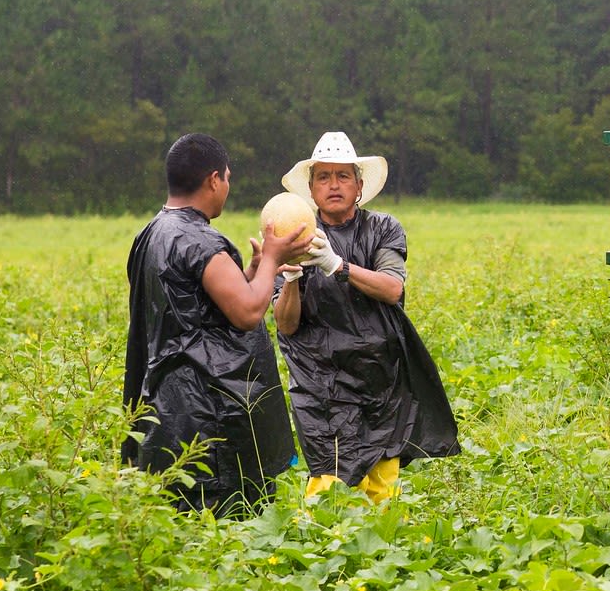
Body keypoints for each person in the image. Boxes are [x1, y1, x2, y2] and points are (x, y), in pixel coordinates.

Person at [122, 134, 308, 516]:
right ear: (213, 180)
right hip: (208, 412)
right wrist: (272, 260)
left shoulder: (151, 234)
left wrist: (251, 272)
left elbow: (194, 304)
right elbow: (247, 313)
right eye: (227, 177)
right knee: (226, 521)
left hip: (165, 406)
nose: (227, 186)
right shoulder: (199, 240)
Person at [271, 132, 459, 503]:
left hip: (380, 379)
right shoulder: (294, 236)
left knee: (382, 491)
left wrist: (337, 265)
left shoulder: (382, 228)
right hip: (320, 381)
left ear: (359, 185)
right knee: (329, 488)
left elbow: (392, 289)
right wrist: (291, 278)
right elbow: (286, 324)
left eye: (343, 176)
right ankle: (323, 558)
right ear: (311, 189)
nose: (334, 185)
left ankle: (384, 554)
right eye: (324, 177)